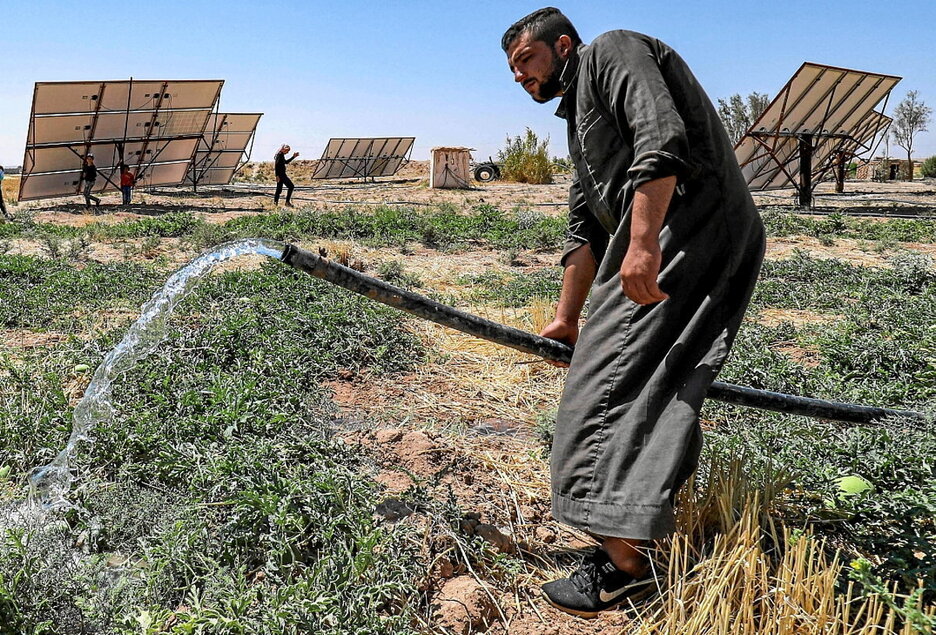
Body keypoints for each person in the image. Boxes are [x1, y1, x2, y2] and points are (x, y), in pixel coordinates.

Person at [502, 8, 765, 617]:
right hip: (674, 234)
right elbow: (583, 228)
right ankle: (637, 534)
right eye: (512, 70)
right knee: (647, 380)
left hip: (686, 229)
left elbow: (662, 138)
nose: (519, 78)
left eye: (526, 61)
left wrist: (644, 241)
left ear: (561, 45)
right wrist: (568, 320)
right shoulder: (579, 119)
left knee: (601, 390)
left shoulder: (611, 52)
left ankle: (626, 566)